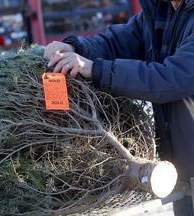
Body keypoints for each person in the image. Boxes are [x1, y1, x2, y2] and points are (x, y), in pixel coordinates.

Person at [44, 0, 194, 215]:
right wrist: (74, 47)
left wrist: (95, 69)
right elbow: (115, 43)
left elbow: (171, 78)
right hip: (183, 170)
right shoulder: (158, 11)